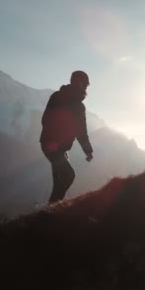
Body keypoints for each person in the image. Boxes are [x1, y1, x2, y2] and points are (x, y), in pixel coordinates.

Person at [40, 70, 94, 203]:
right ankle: (51, 210)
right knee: (68, 176)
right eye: (86, 85)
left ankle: (50, 211)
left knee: (60, 179)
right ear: (80, 83)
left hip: (52, 145)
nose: (87, 88)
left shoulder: (57, 96)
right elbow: (81, 131)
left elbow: (45, 119)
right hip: (54, 146)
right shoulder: (77, 105)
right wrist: (88, 151)